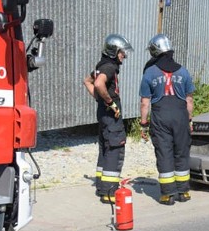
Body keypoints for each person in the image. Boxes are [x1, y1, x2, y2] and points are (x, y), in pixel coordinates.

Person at [140, 34, 195, 205]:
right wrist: (189, 120)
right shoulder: (183, 71)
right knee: (182, 152)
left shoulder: (149, 72)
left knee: (164, 153)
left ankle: (167, 195)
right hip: (180, 116)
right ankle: (184, 192)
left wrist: (143, 124)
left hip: (160, 116)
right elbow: (190, 100)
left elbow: (145, 102)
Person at [83, 33, 132, 202]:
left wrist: (99, 98)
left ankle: (101, 185)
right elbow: (97, 83)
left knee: (105, 148)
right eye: (121, 52)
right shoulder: (109, 66)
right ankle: (109, 192)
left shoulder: (101, 65)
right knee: (115, 148)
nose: (123, 55)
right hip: (111, 117)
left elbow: (87, 81)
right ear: (113, 51)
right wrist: (110, 102)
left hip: (103, 115)